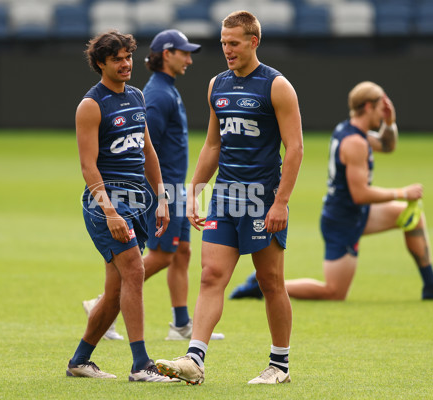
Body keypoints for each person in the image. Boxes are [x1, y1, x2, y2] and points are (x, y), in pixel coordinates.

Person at [156, 10, 304, 385]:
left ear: (253, 42)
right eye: (223, 43)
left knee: (270, 281)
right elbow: (212, 144)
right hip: (225, 195)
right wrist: (194, 191)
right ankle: (195, 359)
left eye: (234, 43)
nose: (227, 50)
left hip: (262, 197)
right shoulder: (216, 85)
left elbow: (296, 148)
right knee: (211, 276)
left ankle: (280, 366)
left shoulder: (277, 86)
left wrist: (281, 201)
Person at [230, 81, 433, 302]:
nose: (381, 113)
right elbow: (360, 194)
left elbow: (388, 145)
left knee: (412, 218)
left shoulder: (351, 130)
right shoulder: (355, 143)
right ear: (368, 107)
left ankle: (432, 286)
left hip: (356, 213)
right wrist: (402, 192)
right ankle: (260, 284)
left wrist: (389, 121)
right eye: (379, 109)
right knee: (334, 292)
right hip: (342, 220)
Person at [83, 29, 224, 341]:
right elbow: (144, 147)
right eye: (183, 52)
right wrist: (159, 194)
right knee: (161, 255)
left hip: (174, 186)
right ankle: (102, 302)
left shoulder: (164, 89)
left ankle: (181, 323)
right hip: (165, 189)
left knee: (183, 251)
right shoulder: (158, 93)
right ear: (166, 54)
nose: (189, 59)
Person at [67, 30, 178, 383]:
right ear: (100, 63)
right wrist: (109, 211)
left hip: (139, 201)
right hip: (108, 202)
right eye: (117, 58)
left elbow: (147, 151)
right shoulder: (91, 105)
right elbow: (88, 166)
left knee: (116, 291)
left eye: (128, 56)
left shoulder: (136, 95)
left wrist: (161, 198)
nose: (126, 63)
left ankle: (80, 360)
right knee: (135, 271)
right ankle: (141, 364)